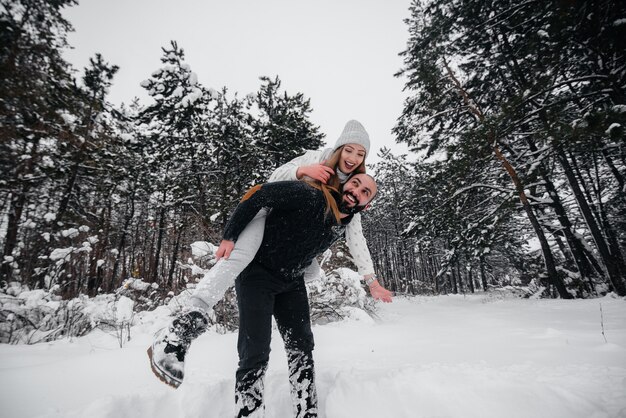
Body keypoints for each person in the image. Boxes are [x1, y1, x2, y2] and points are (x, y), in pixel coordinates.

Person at [147, 121, 392, 388]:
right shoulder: (318, 158)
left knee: (311, 271)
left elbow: (357, 240)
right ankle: (184, 325)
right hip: (266, 213)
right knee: (241, 256)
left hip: (289, 245)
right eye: (350, 150)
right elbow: (272, 181)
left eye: (360, 155)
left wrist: (372, 281)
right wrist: (301, 171)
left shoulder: (351, 188)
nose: (353, 158)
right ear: (340, 147)